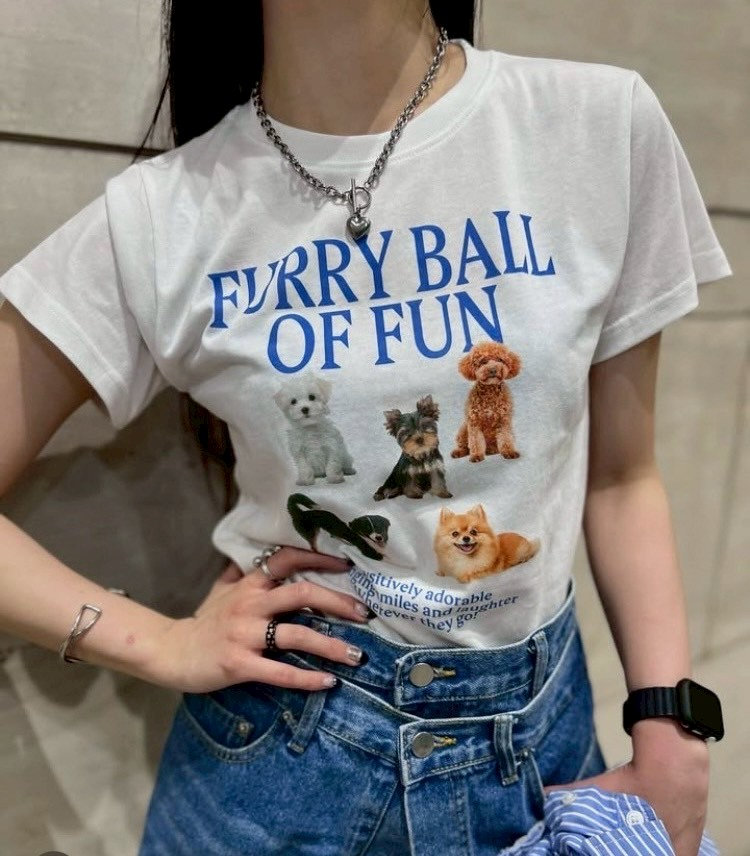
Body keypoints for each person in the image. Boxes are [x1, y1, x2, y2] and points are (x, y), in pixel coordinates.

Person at [0, 2, 731, 854]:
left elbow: (623, 477)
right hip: (281, 766)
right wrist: (157, 644)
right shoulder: (164, 214)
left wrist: (670, 727)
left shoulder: (594, 126)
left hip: (544, 753)